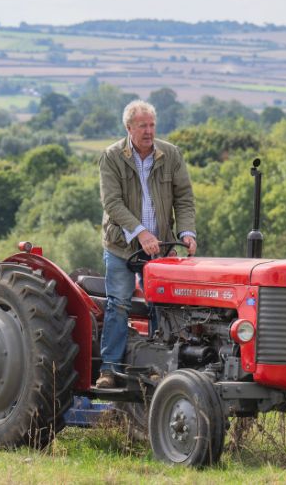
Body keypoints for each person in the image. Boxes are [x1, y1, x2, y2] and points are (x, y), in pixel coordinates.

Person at [95, 99, 197, 389]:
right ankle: (110, 369)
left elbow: (184, 198)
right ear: (129, 127)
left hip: (160, 247)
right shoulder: (112, 156)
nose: (149, 131)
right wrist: (140, 232)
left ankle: (158, 369)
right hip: (122, 245)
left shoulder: (170, 155)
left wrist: (188, 232)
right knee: (119, 304)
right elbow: (112, 203)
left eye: (152, 124)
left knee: (162, 307)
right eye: (142, 125)